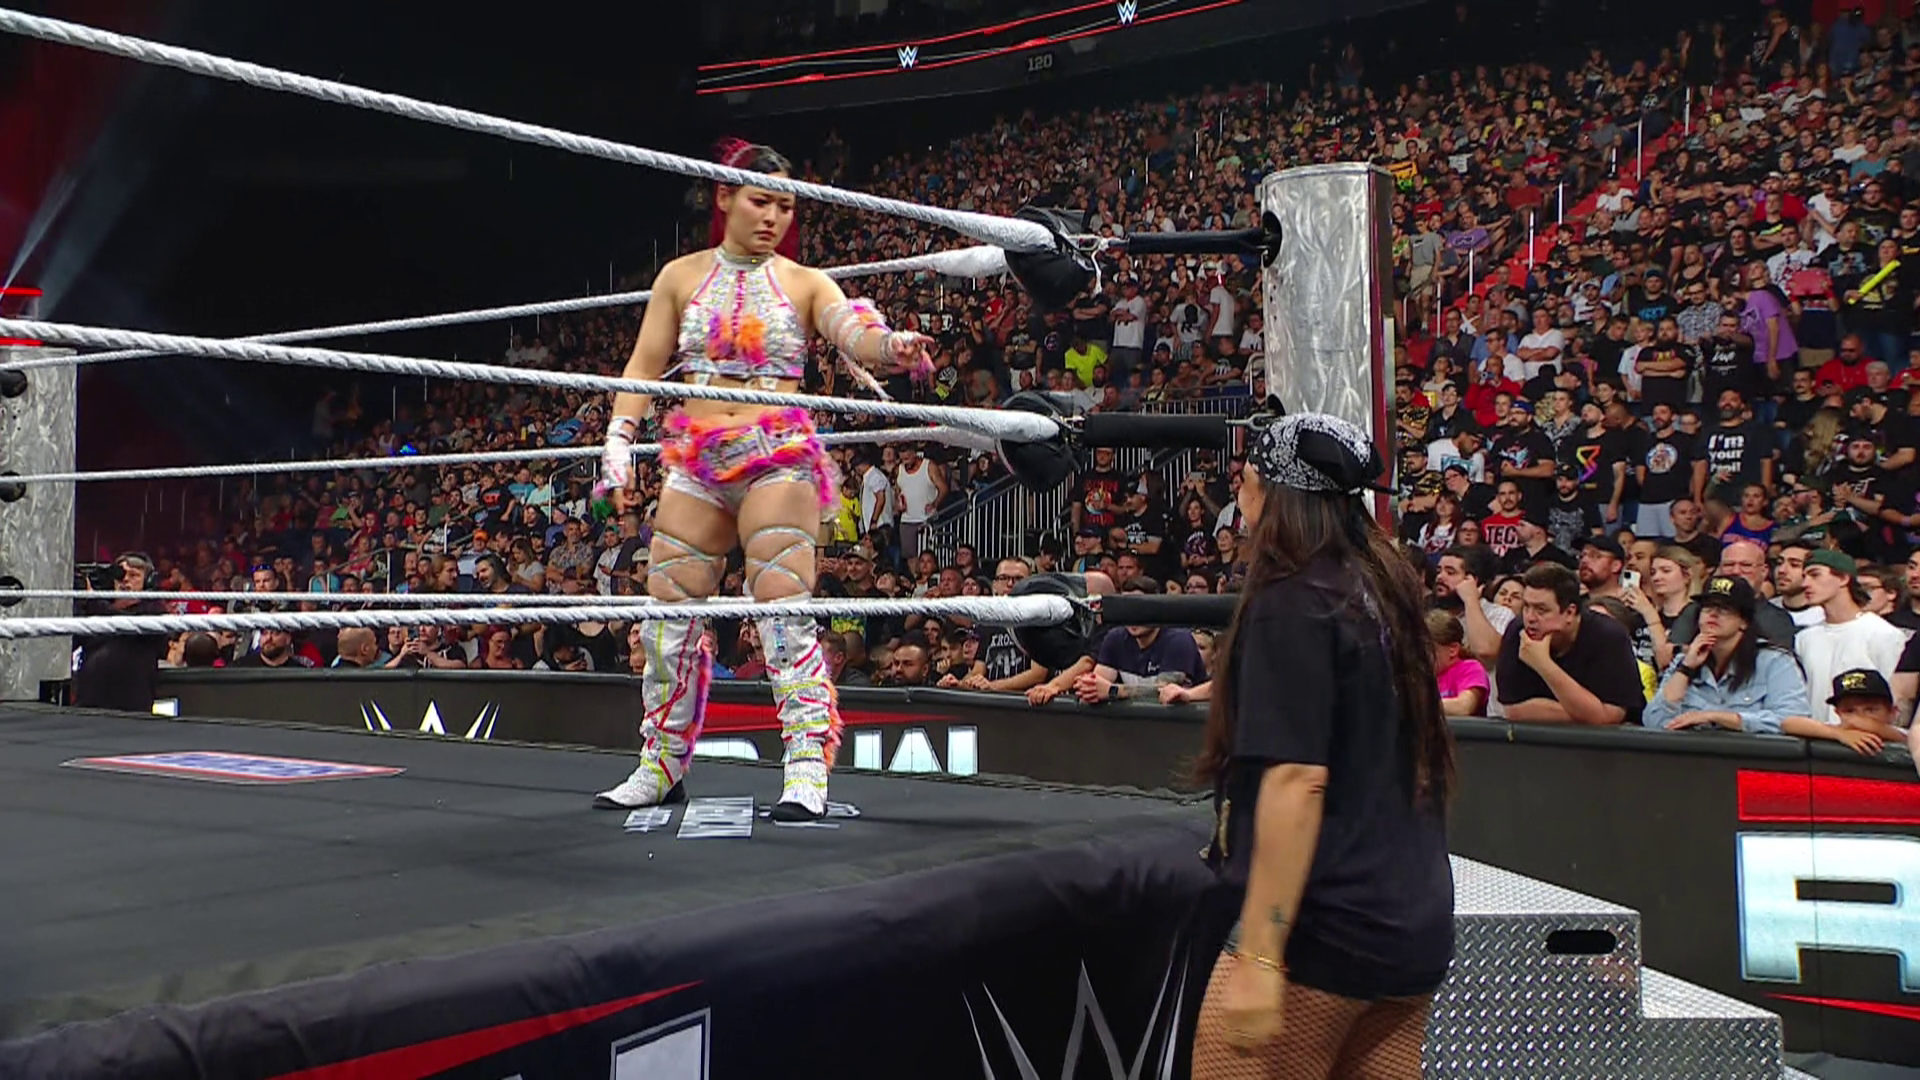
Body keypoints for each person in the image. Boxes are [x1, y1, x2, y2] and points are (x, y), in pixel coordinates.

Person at [591, 140, 933, 822]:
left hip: (776, 453)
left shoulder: (805, 281)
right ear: (725, 197)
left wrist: (891, 346)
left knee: (781, 611)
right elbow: (643, 364)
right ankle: (661, 764)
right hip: (697, 459)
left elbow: (851, 330)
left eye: (785, 205)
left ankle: (806, 767)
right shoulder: (680, 276)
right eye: (761, 201)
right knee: (666, 618)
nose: (774, 217)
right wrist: (619, 439)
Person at [1190, 412, 1453, 1080]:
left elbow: (1296, 780)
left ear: (1275, 493)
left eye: (1247, 478)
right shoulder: (1380, 588)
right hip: (1411, 914)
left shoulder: (1295, 600)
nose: (1239, 491)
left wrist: (1260, 953)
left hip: (1327, 926)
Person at [1641, 576, 1816, 737]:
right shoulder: (1684, 660)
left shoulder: (1775, 661)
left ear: (1744, 622)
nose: (1713, 614)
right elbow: (1653, 721)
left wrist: (1718, 717)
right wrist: (1685, 669)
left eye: (1724, 609)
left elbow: (1793, 719)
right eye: (1707, 608)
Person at [1496, 563, 1644, 726]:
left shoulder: (1610, 636)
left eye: (1541, 610)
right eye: (1526, 607)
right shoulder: (1517, 632)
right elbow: (1513, 711)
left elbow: (1610, 717)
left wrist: (1543, 664)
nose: (1530, 618)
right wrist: (1587, 713)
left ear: (1569, 612)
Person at [72, 553, 168, 712]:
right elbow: (70, 642)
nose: (125, 580)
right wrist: (79, 602)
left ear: (148, 582)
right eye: (120, 575)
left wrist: (93, 599)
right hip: (89, 707)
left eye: (134, 575)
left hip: (131, 710)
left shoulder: (154, 612)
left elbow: (126, 624)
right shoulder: (95, 610)